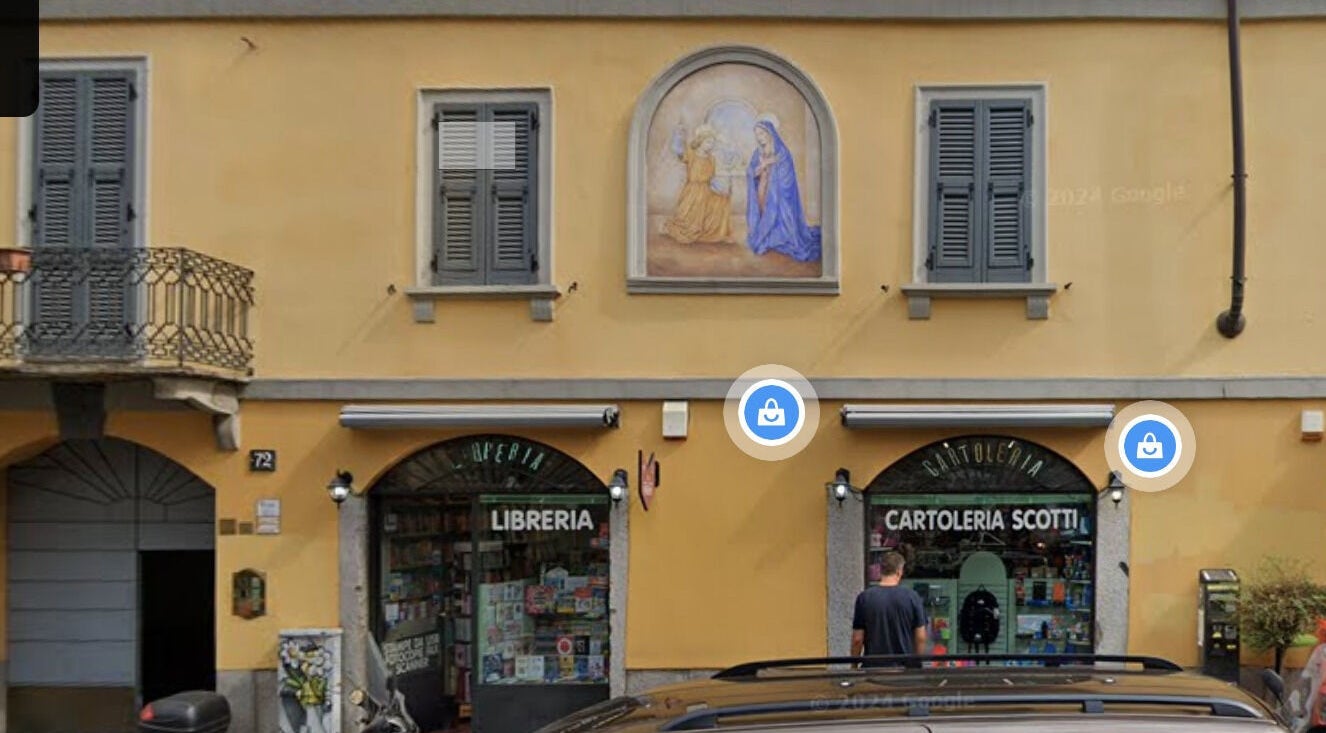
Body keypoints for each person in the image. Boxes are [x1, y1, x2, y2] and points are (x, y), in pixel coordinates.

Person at [745, 114, 822, 262]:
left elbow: (787, 177)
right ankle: (767, 237)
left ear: (769, 133)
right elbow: (752, 172)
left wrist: (772, 167)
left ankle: (777, 238)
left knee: (775, 212)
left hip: (777, 193)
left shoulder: (782, 152)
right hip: (763, 187)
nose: (759, 137)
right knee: (763, 211)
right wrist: (761, 167)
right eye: (757, 135)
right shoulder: (758, 152)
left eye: (761, 133)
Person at [852, 551, 928, 668]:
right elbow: (920, 637)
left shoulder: (865, 598)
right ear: (899, 571)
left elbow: (857, 639)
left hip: (873, 669)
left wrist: (854, 666)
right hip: (904, 669)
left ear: (880, 570)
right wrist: (917, 663)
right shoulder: (912, 597)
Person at [662, 123, 734, 245]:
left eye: (712, 143)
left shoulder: (711, 159)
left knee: (723, 199)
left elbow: (712, 178)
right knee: (688, 221)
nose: (710, 145)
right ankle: (682, 228)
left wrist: (721, 189)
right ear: (701, 141)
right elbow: (679, 152)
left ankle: (714, 231)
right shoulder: (691, 154)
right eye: (708, 142)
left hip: (706, 190)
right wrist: (679, 136)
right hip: (692, 191)